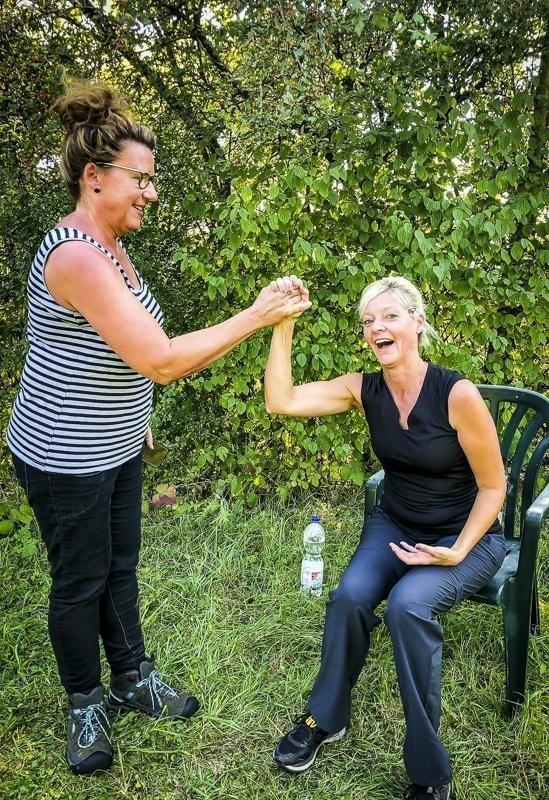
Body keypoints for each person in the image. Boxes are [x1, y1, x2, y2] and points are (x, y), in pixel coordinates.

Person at [6, 80, 310, 776]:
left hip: (114, 442)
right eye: (139, 180)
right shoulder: (76, 256)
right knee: (80, 582)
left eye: (152, 180)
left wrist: (134, 418)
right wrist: (257, 315)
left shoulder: (112, 243)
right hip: (65, 454)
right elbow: (161, 358)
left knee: (120, 567)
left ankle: (132, 677)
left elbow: (116, 351)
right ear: (94, 177)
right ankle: (86, 704)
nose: (150, 193)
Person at [264, 276, 506, 800]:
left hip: (465, 536)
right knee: (349, 596)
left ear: (418, 323)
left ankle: (430, 773)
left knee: (407, 607)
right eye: (368, 320)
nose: (377, 327)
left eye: (390, 315)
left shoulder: (456, 394)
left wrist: (457, 551)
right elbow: (280, 400)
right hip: (395, 525)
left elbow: (493, 487)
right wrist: (282, 324)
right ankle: (325, 718)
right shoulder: (364, 389)